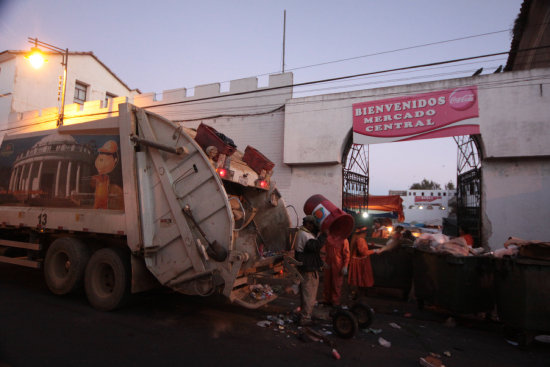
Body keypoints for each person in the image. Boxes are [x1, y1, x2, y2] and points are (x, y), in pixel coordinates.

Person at [294, 215, 326, 325]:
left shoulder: (305, 233)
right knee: (309, 294)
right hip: (308, 269)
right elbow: (314, 246)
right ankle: (305, 318)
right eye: (312, 224)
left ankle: (304, 315)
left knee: (306, 293)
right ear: (308, 224)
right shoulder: (304, 234)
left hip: (306, 267)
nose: (313, 227)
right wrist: (324, 235)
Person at [348, 226, 379, 296]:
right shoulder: (360, 239)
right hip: (359, 262)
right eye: (365, 233)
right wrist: (375, 250)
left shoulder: (356, 237)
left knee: (356, 278)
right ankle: (356, 293)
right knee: (359, 278)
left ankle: (355, 293)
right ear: (363, 233)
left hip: (355, 260)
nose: (366, 234)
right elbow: (363, 252)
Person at [322, 232, 350, 307]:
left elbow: (346, 254)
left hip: (338, 265)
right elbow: (324, 251)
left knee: (336, 284)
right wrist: (323, 261)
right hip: (328, 264)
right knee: (327, 283)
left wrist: (345, 266)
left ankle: (335, 301)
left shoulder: (344, 240)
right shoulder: (328, 238)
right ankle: (327, 300)